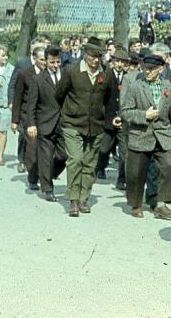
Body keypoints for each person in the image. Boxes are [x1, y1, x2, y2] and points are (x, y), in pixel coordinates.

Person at [55, 37, 108, 218]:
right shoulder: (71, 71)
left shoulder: (106, 74)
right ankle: (73, 200)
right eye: (93, 56)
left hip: (96, 126)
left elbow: (109, 99)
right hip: (72, 123)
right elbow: (59, 94)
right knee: (76, 159)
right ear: (86, 54)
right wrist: (68, 113)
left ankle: (84, 197)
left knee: (90, 163)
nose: (96, 60)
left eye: (99, 57)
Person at [120, 54, 171, 219]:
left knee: (167, 169)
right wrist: (144, 115)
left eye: (151, 69)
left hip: (163, 135)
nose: (147, 72)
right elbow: (125, 112)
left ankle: (161, 204)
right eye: (145, 68)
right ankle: (136, 204)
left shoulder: (170, 89)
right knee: (136, 172)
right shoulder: (136, 87)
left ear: (161, 69)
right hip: (141, 134)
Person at [25, 46, 67, 202]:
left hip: (63, 123)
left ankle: (49, 174)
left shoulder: (66, 76)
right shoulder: (38, 79)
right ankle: (48, 188)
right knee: (46, 157)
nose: (55, 65)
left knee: (64, 155)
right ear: (46, 61)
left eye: (58, 62)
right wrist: (31, 124)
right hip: (44, 124)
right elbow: (31, 105)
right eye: (52, 62)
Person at [10, 46, 47, 190]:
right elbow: (18, 97)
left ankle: (44, 175)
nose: (44, 62)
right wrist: (14, 120)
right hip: (27, 116)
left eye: (46, 59)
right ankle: (33, 177)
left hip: (44, 116)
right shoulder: (25, 74)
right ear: (35, 58)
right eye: (42, 59)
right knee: (32, 146)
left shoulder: (50, 74)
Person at [95, 48, 129, 182]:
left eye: (123, 62)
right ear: (113, 61)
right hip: (108, 119)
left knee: (124, 153)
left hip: (124, 119)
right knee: (104, 149)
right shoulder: (105, 75)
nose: (120, 64)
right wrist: (106, 117)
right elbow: (100, 99)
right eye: (117, 61)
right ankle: (101, 167)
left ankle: (122, 179)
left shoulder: (128, 77)